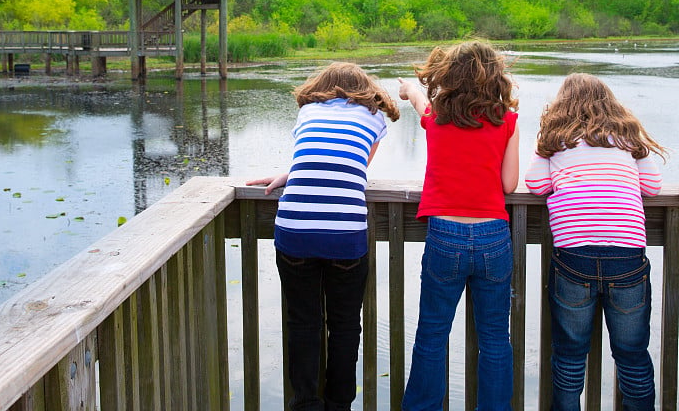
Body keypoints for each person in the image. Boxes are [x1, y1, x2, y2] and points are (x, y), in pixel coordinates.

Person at [247, 61, 400, 411]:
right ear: (365, 89)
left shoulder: (309, 111)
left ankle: (305, 403)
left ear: (321, 86)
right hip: (344, 233)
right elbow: (356, 165)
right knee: (345, 326)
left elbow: (312, 159)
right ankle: (339, 405)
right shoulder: (374, 117)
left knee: (303, 323)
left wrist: (289, 175)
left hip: (295, 227)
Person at [525, 72, 665, 411]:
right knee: (631, 354)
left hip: (574, 258)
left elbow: (535, 185)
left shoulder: (554, 138)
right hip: (627, 259)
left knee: (570, 357)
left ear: (562, 104)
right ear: (610, 103)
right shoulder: (628, 137)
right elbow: (653, 186)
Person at [398, 40, 520, 411]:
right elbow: (509, 186)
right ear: (494, 78)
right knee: (496, 339)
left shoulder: (437, 118)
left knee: (432, 334)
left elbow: (421, 103)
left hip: (445, 234)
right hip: (493, 236)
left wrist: (410, 89)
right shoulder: (506, 121)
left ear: (448, 77)